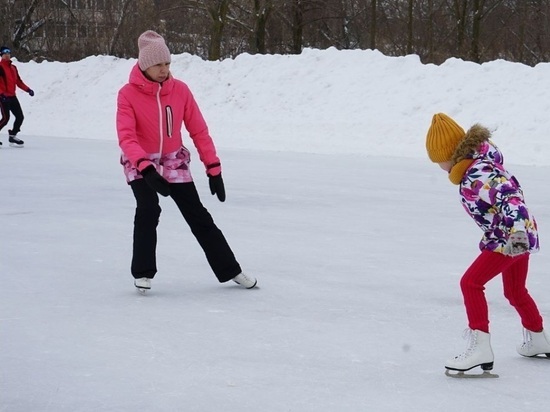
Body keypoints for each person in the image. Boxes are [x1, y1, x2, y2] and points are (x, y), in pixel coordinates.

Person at [116, 30, 257, 293]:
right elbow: (126, 136)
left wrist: (213, 168)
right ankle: (143, 272)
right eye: (158, 64)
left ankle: (231, 269)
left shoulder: (180, 91)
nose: (164, 69)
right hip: (141, 162)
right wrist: (145, 169)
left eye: (167, 63)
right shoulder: (127, 94)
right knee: (148, 209)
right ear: (145, 65)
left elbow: (198, 130)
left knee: (198, 215)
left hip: (172, 161)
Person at [425, 113, 550, 375]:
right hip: (517, 234)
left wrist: (516, 240)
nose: (439, 166)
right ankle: (538, 338)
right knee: (515, 291)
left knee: (470, 283)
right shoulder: (479, 165)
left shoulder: (477, 175)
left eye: (439, 160)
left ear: (450, 154)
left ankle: (480, 347)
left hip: (510, 237)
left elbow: (511, 198)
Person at [0, 46, 34, 147]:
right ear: (1, 55)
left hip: (12, 96)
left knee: (20, 117)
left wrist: (28, 89)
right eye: (5, 53)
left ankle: (13, 136)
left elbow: (18, 82)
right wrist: (1, 94)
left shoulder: (13, 68)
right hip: (3, 97)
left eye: (8, 53)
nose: (7, 55)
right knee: (6, 118)